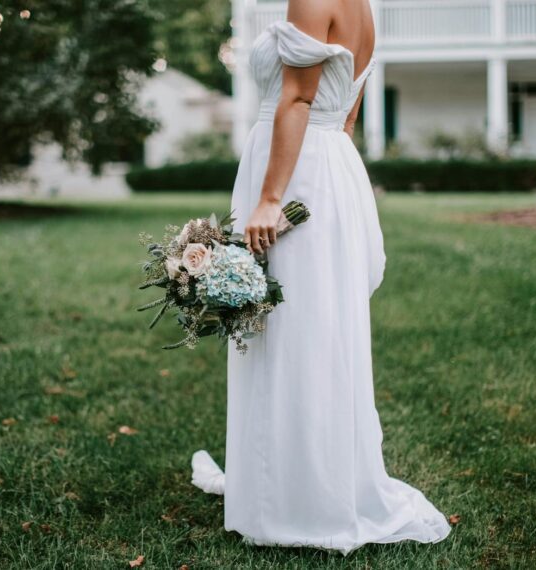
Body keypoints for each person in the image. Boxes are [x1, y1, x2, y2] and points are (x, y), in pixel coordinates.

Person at [192, 0, 452, 553]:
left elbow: (297, 97)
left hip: (294, 177)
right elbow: (347, 115)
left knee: (292, 332)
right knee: (311, 332)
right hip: (328, 164)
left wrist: (269, 198)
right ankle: (294, 483)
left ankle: (295, 499)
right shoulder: (363, 8)